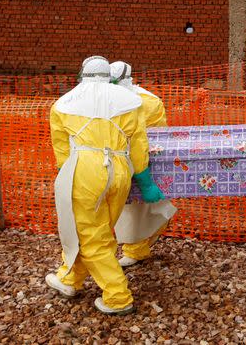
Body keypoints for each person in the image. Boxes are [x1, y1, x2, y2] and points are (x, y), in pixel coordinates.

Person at [44, 56, 165, 315]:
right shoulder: (132, 103)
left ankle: (117, 296)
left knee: (90, 235)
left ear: (83, 74)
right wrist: (144, 181)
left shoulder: (63, 104)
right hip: (121, 170)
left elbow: (62, 150)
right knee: (99, 231)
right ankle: (69, 279)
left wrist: (66, 178)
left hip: (84, 171)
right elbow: (139, 146)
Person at [109, 61, 178, 267]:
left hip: (138, 161)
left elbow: (150, 138)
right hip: (122, 160)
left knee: (138, 208)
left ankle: (136, 248)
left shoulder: (144, 101)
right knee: (130, 208)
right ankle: (135, 247)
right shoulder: (145, 99)